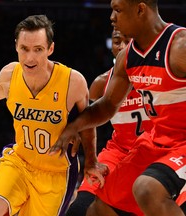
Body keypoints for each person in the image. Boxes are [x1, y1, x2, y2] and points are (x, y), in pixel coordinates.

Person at [0, 15, 101, 216]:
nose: (30, 58)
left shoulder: (73, 82)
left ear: (50, 49)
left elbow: (88, 122)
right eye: (24, 49)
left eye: (38, 49)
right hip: (19, 161)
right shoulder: (11, 74)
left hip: (56, 173)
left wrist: (91, 160)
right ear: (16, 47)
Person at [49, 0, 186, 215]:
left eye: (117, 10)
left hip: (183, 143)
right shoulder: (127, 58)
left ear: (140, 9)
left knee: (148, 189)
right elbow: (107, 106)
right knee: (100, 206)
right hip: (156, 142)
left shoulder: (180, 46)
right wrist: (73, 126)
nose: (112, 17)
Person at [66, 30, 153, 216]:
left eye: (128, 41)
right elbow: (87, 118)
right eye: (117, 41)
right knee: (79, 210)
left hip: (154, 153)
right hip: (118, 152)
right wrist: (76, 129)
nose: (122, 46)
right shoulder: (101, 83)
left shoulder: (157, 76)